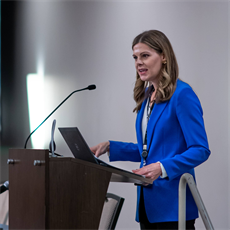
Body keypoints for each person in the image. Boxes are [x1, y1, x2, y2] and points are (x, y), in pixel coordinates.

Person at [90, 30, 210, 230]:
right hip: (148, 205)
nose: (138, 62)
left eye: (145, 56)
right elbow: (151, 149)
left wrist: (161, 168)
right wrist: (110, 147)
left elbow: (200, 149)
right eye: (135, 57)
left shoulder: (182, 95)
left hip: (174, 206)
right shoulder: (148, 95)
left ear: (164, 57)